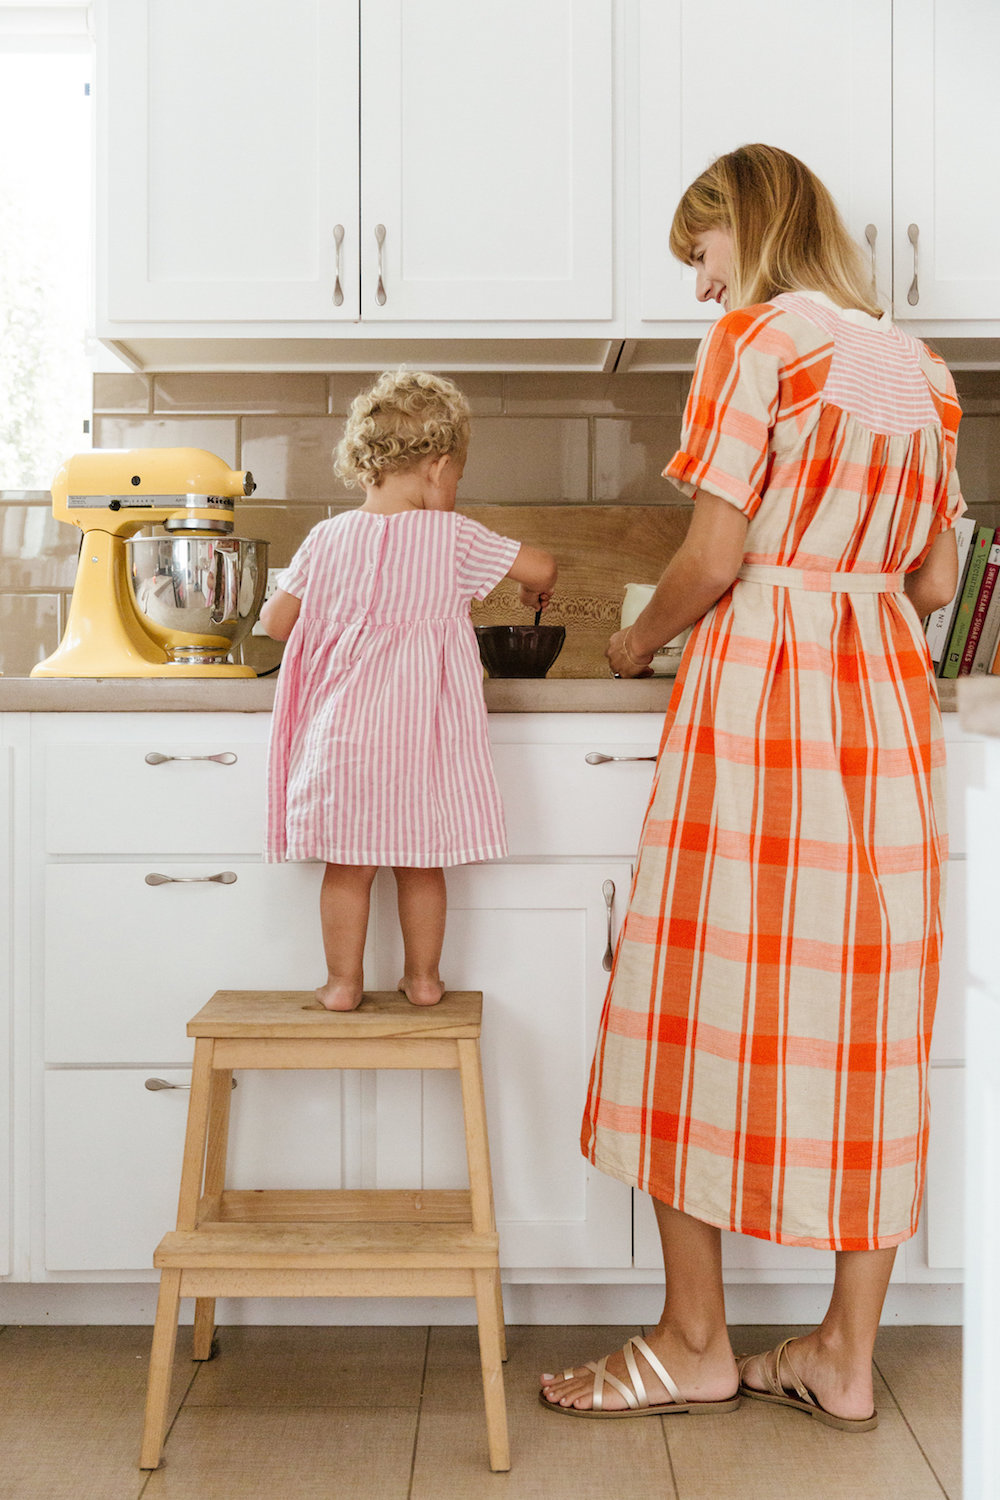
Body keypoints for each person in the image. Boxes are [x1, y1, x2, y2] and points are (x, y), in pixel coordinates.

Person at [540, 144, 963, 1428]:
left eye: (702, 251)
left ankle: (693, 1342)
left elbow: (715, 552)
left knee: (688, 994)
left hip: (762, 704)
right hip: (881, 710)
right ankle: (842, 1356)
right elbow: (936, 582)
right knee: (868, 1022)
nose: (699, 285)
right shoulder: (925, 372)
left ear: (752, 228)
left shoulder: (757, 342)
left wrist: (633, 641)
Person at [261, 369, 557, 1011]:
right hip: (421, 740)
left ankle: (343, 985)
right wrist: (530, 590)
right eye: (457, 478)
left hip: (342, 742)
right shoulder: (454, 538)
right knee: (422, 862)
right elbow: (543, 567)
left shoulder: (326, 538)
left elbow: (277, 625)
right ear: (439, 467)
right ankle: (423, 980)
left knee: (348, 866)